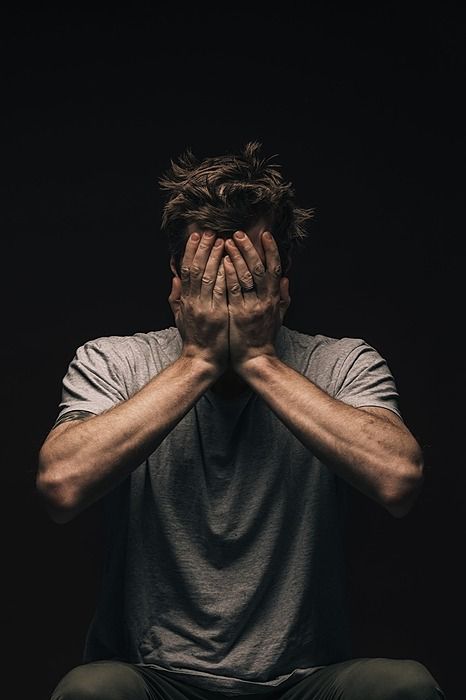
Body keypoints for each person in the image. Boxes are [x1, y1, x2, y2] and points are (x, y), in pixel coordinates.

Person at [37, 141, 445, 699]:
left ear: (283, 287)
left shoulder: (343, 363)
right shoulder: (113, 361)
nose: (228, 294)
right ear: (177, 285)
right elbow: (60, 485)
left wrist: (258, 360)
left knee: (404, 685)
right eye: (209, 278)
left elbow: (399, 479)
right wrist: (198, 360)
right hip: (158, 681)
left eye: (249, 278)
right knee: (90, 690)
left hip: (300, 683)